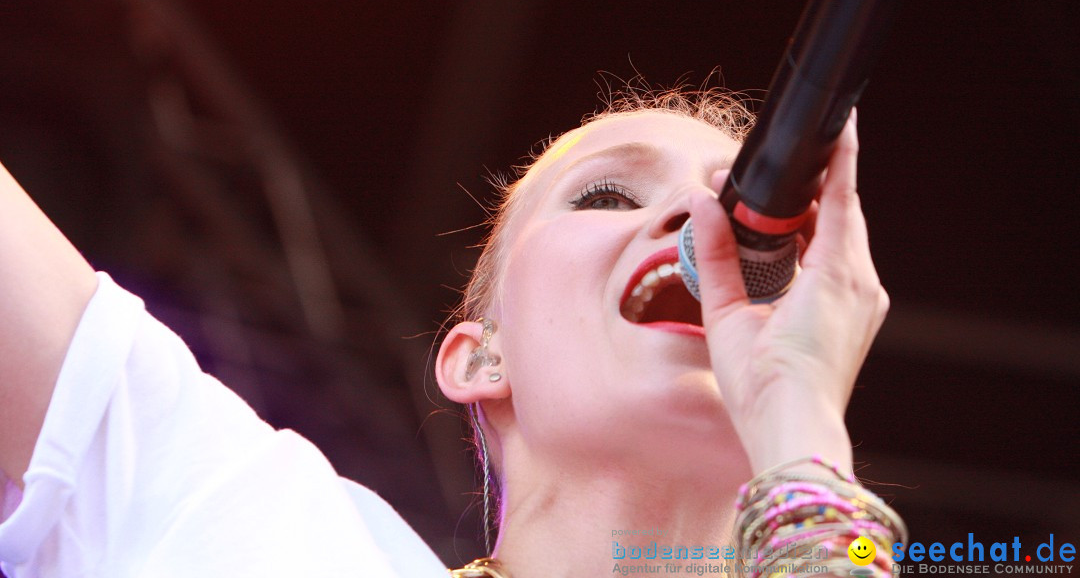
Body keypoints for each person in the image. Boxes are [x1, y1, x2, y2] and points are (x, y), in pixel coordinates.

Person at [0, 86, 903, 578]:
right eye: (607, 195)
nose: (699, 224)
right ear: (480, 356)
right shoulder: (276, 532)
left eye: (738, 214)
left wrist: (803, 435)